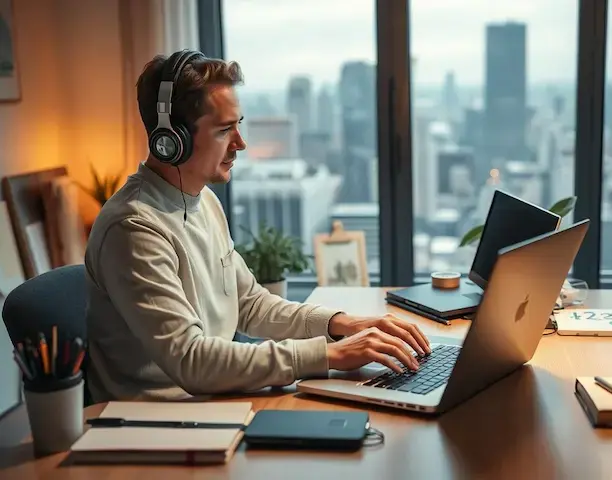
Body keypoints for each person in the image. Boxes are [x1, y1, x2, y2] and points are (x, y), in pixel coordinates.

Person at [84, 50, 430, 402]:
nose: (241, 143)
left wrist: (341, 324)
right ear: (172, 139)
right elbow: (191, 361)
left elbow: (249, 304)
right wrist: (329, 355)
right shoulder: (134, 228)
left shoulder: (203, 202)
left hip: (212, 402)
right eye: (224, 130)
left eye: (239, 124)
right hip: (157, 424)